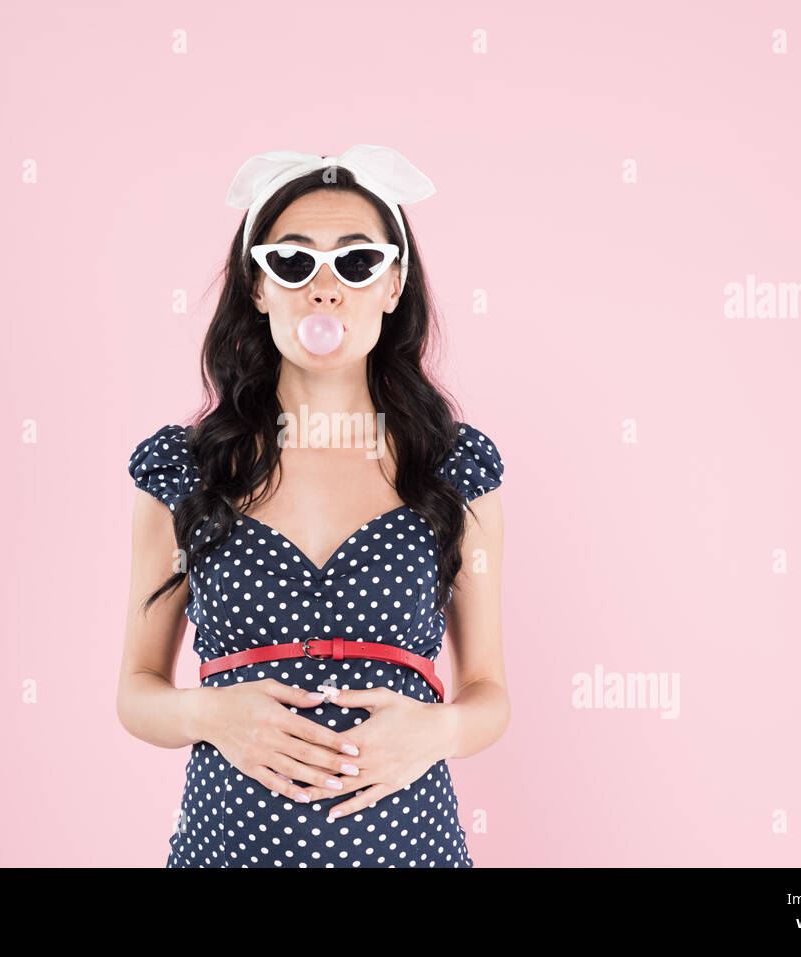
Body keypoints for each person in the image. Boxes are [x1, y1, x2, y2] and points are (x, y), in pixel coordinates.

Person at [117, 145, 509, 867]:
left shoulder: (451, 468)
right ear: (259, 288)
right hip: (226, 849)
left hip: (410, 849)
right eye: (293, 264)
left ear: (393, 284)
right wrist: (207, 712)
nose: (324, 289)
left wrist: (439, 732)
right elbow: (136, 691)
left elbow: (489, 691)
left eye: (355, 262)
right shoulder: (187, 469)